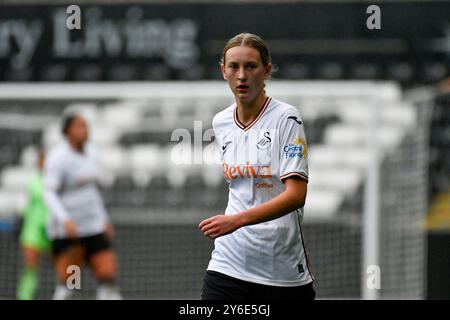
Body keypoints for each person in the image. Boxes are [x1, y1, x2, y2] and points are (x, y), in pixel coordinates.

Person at [199, 33, 315, 300]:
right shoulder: (221, 122)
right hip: (228, 262)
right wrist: (233, 225)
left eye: (250, 66)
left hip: (280, 268)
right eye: (234, 67)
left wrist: (236, 221)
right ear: (223, 71)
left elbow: (297, 195)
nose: (242, 75)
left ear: (267, 70)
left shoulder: (286, 117)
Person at [44, 113, 121, 300]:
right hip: (70, 232)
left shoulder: (92, 153)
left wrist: (103, 219)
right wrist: (65, 220)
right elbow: (49, 192)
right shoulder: (58, 158)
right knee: (72, 283)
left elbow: (92, 191)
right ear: (67, 131)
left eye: (86, 126)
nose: (85, 131)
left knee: (107, 274)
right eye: (79, 126)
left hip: (93, 227)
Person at [16, 149, 51, 300]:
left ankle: (72, 291)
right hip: (34, 230)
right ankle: (24, 296)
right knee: (30, 268)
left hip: (57, 230)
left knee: (69, 265)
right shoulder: (34, 180)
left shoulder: (62, 179)